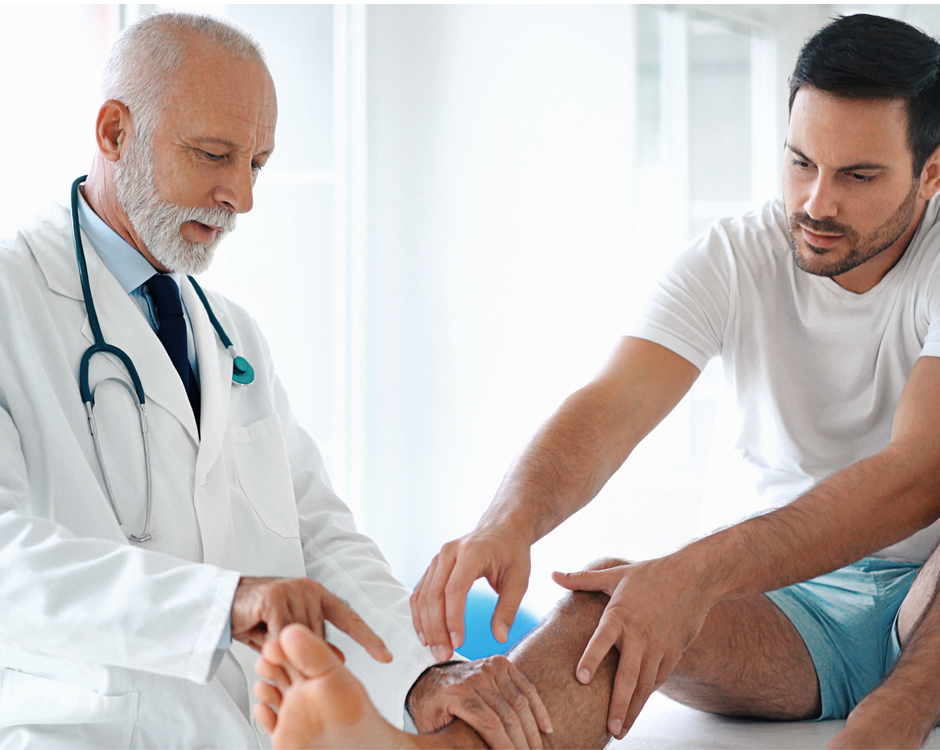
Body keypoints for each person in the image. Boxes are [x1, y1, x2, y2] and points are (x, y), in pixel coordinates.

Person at [0, 12, 553, 749]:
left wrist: (418, 677)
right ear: (113, 132)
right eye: (214, 154)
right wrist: (226, 602)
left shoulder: (231, 333)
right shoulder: (13, 301)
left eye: (256, 163)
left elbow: (318, 531)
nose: (241, 196)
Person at [398, 12, 940, 750]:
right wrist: (511, 519)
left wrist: (700, 566)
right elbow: (613, 402)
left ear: (932, 171)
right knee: (613, 602)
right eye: (801, 163)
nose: (816, 203)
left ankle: (893, 718)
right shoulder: (736, 255)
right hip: (787, 607)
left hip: (924, 599)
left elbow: (918, 473)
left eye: (858, 176)